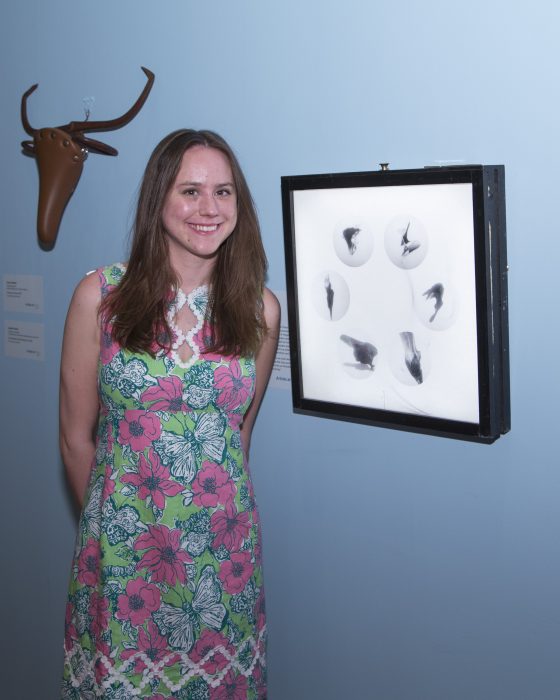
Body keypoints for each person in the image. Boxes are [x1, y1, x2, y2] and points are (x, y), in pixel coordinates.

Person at [59, 129, 280, 699]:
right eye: (191, 191)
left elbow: (240, 438)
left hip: (222, 561)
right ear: (159, 198)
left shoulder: (261, 310)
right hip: (123, 560)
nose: (209, 208)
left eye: (224, 192)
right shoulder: (99, 298)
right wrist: (122, 533)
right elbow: (75, 440)